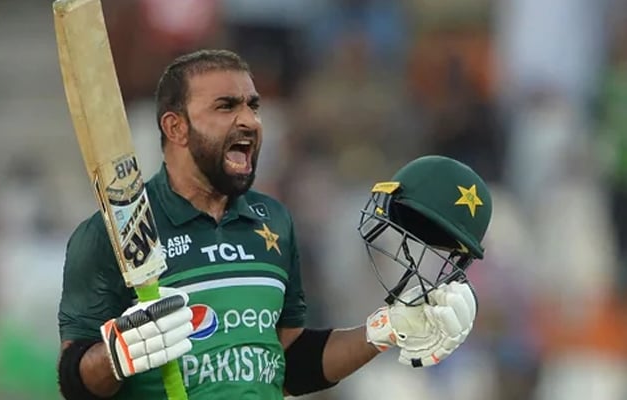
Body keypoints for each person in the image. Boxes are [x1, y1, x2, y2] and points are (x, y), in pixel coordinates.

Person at [56, 49, 492, 400]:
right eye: (226, 106)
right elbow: (73, 380)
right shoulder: (113, 233)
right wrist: (116, 357)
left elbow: (290, 364)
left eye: (253, 105)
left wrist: (386, 329)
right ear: (176, 127)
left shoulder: (274, 222)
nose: (248, 120)